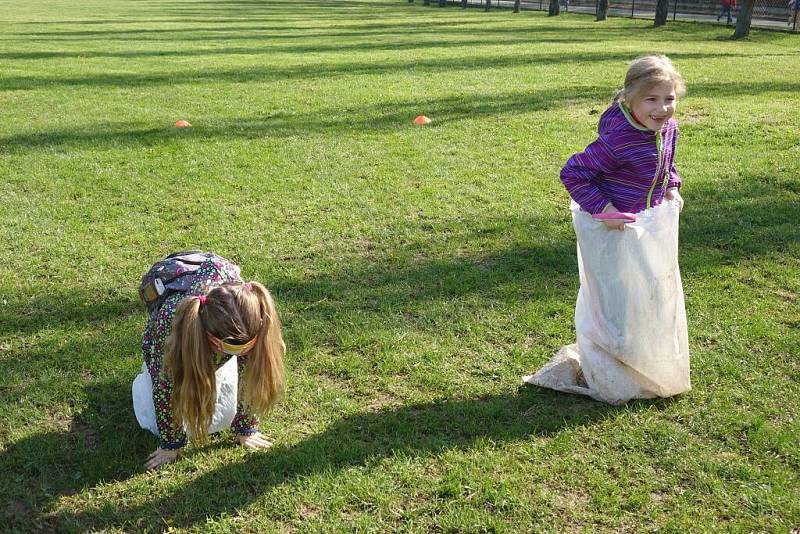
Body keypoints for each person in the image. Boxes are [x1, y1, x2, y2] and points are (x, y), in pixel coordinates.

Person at [523, 55, 691, 405]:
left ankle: (641, 360)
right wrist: (606, 210)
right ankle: (609, 363)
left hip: (645, 227)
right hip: (611, 230)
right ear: (630, 98)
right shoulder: (620, 140)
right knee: (615, 301)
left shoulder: (667, 129)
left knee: (648, 293)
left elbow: (667, 161)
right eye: (652, 99)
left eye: (669, 98)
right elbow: (574, 174)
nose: (662, 109)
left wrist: (672, 186)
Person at [134, 253, 285, 469]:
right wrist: (171, 444)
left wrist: (246, 428)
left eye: (248, 345)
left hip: (217, 313)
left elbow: (251, 370)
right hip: (171, 319)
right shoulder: (172, 323)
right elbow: (164, 387)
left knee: (218, 409)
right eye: (234, 349)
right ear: (209, 337)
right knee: (160, 406)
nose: (243, 353)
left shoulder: (249, 310)